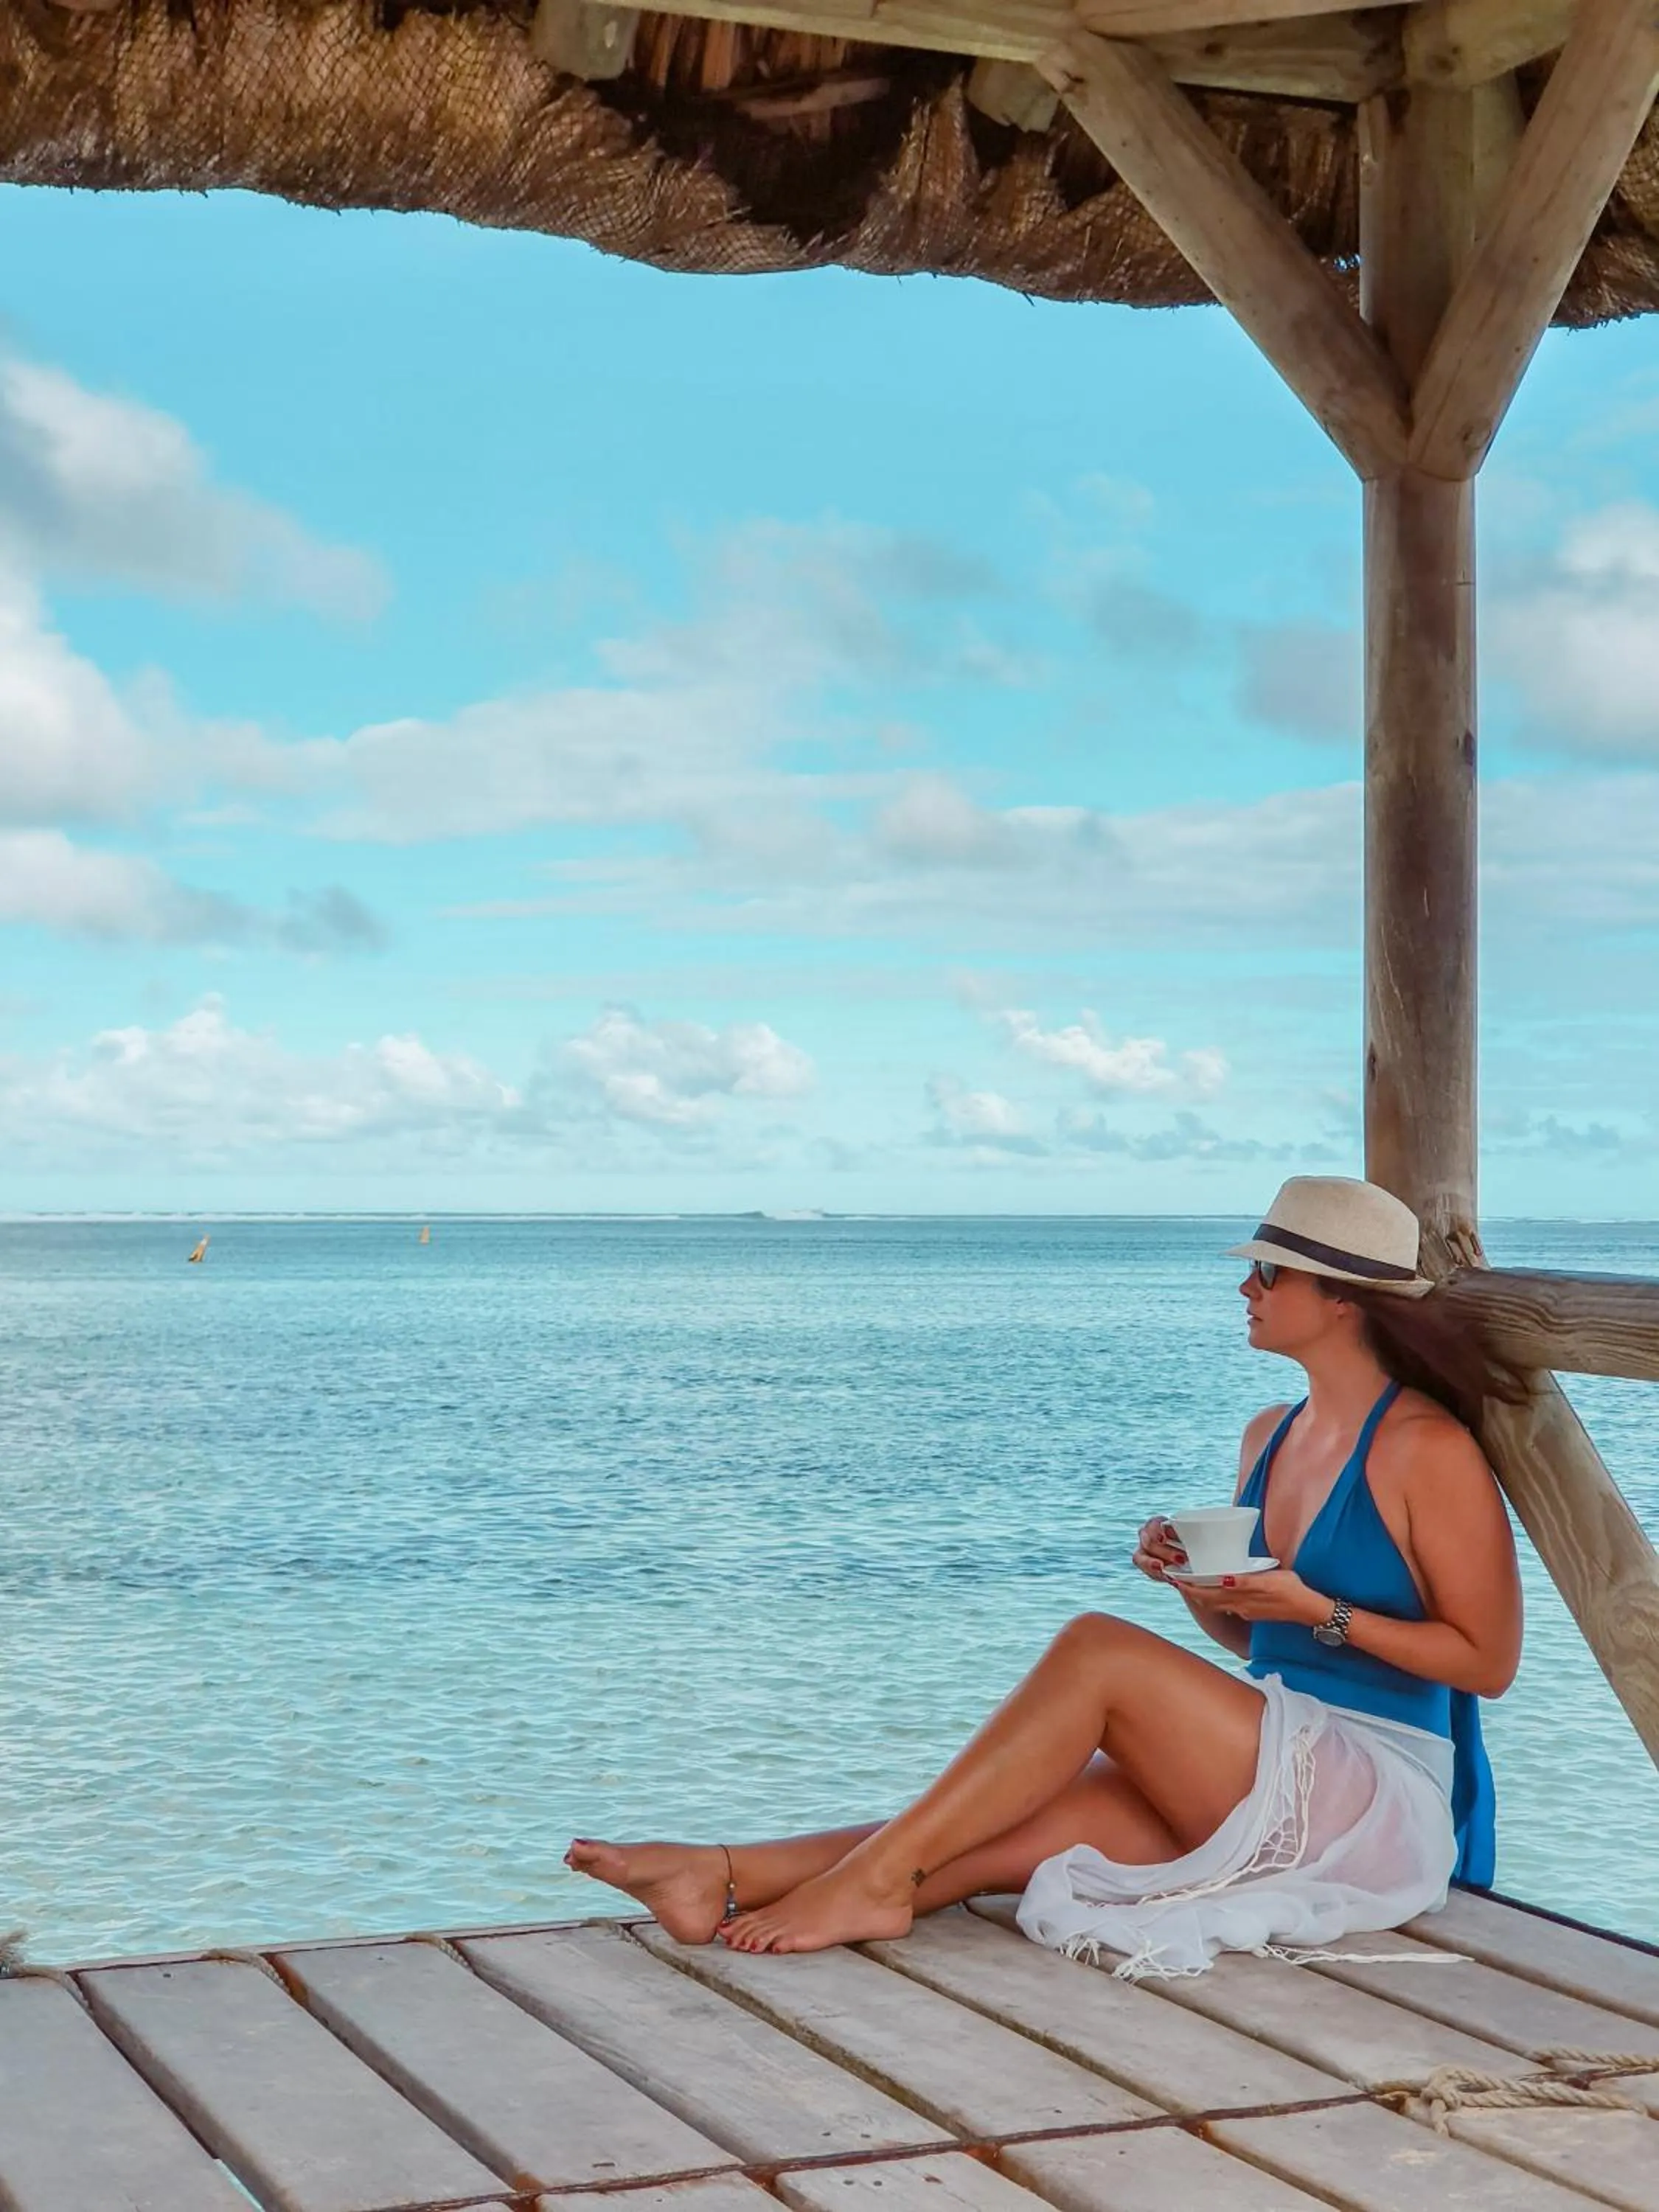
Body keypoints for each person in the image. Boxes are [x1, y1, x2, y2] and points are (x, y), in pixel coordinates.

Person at [565, 1176, 1526, 1974]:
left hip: (1375, 1794)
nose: (1245, 1291)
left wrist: (1318, 1610)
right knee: (1014, 1831)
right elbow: (1255, 1639)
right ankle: (718, 1872)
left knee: (1095, 1649)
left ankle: (859, 1882)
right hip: (1268, 1748)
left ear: (1342, 1299)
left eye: (1268, 1274)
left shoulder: (1420, 1449)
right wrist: (1205, 1594)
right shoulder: (1267, 1434)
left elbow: (1484, 1663)